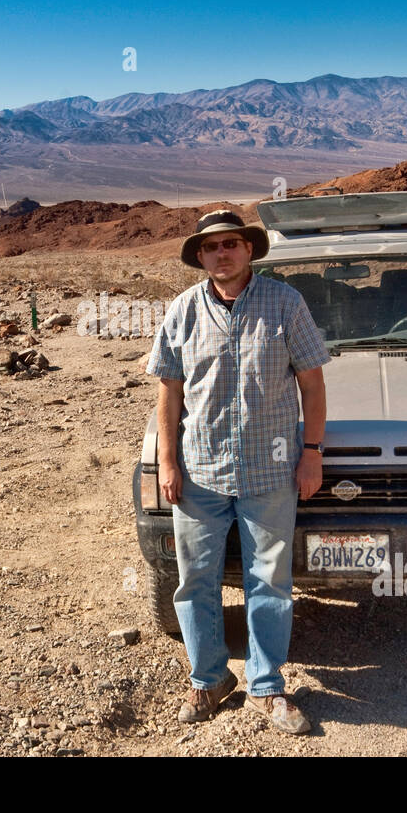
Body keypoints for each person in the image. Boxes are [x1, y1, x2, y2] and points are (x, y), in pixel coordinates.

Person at [145, 208, 329, 734]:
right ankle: (208, 680)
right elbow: (170, 390)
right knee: (195, 580)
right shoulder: (182, 310)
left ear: (249, 249)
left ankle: (267, 687)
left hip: (271, 473)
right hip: (200, 471)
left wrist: (311, 450)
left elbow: (312, 385)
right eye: (211, 247)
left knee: (269, 580)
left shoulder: (285, 303)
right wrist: (167, 460)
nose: (221, 254)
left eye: (231, 243)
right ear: (200, 256)